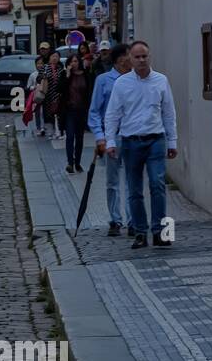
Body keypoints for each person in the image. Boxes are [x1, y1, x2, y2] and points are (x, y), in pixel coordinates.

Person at [104, 41, 178, 250]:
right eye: (137, 57)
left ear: (150, 56)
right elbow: (112, 114)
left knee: (157, 184)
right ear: (130, 60)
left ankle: (159, 232)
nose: (141, 60)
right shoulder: (122, 83)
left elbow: (169, 113)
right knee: (134, 190)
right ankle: (139, 232)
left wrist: (172, 141)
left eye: (144, 56)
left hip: (156, 139)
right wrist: (110, 141)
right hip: (130, 141)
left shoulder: (161, 81)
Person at [90, 43, 133, 237]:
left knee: (133, 180)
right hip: (112, 136)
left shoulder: (136, 80)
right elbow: (94, 112)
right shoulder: (104, 80)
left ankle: (133, 220)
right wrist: (100, 138)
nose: (130, 61)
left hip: (133, 135)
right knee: (112, 181)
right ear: (118, 60)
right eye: (127, 57)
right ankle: (115, 220)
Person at [61, 54, 92, 173]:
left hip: (81, 110)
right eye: (72, 61)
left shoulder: (85, 75)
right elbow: (61, 89)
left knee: (79, 137)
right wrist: (68, 76)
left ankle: (77, 162)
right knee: (70, 136)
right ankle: (70, 163)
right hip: (69, 110)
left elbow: (89, 91)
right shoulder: (66, 75)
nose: (74, 63)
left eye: (76, 61)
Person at [43, 51, 64, 139]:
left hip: (59, 94)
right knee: (49, 114)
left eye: (56, 56)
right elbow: (39, 78)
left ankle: (60, 132)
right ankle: (51, 132)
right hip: (48, 95)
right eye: (53, 56)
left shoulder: (61, 68)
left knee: (59, 114)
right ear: (49, 58)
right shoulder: (45, 68)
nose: (54, 58)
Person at [26, 56, 47, 137]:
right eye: (38, 63)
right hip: (37, 97)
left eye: (41, 63)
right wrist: (34, 87)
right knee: (38, 112)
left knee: (44, 112)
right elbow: (28, 86)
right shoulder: (33, 75)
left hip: (45, 95)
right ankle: (38, 128)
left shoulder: (46, 73)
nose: (39, 65)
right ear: (35, 65)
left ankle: (44, 127)